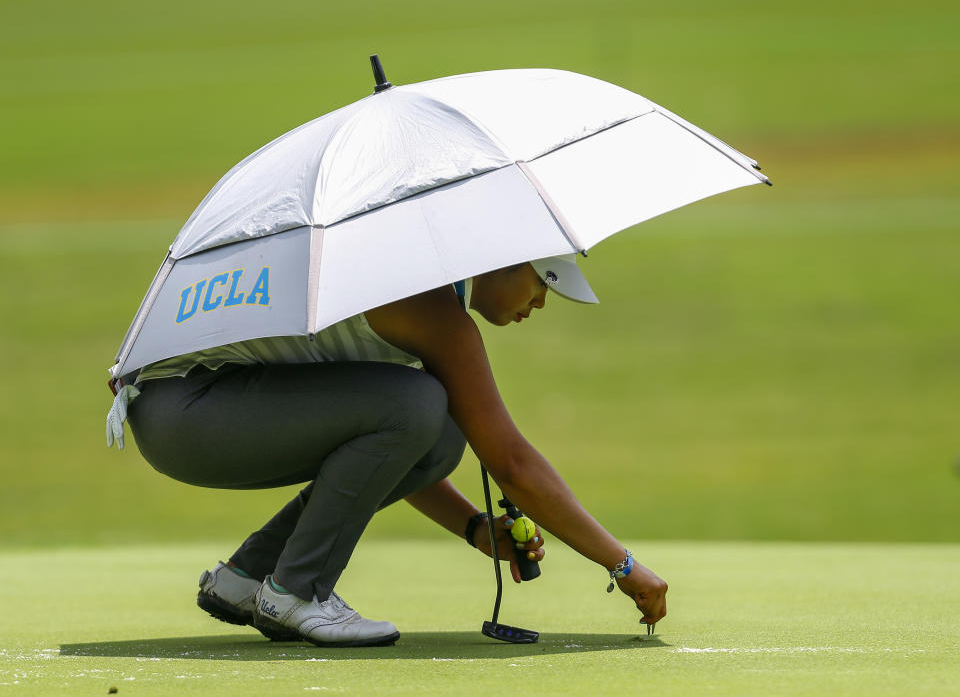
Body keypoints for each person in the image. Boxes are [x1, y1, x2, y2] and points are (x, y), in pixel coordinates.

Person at [108, 254, 668, 647]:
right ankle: (297, 591)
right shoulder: (433, 308)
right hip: (189, 411)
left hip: (186, 414)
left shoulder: (418, 289)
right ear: (500, 259)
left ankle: (249, 578)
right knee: (421, 403)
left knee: (434, 419)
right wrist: (622, 565)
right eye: (541, 281)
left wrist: (474, 527)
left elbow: (394, 449)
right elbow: (512, 464)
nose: (541, 302)